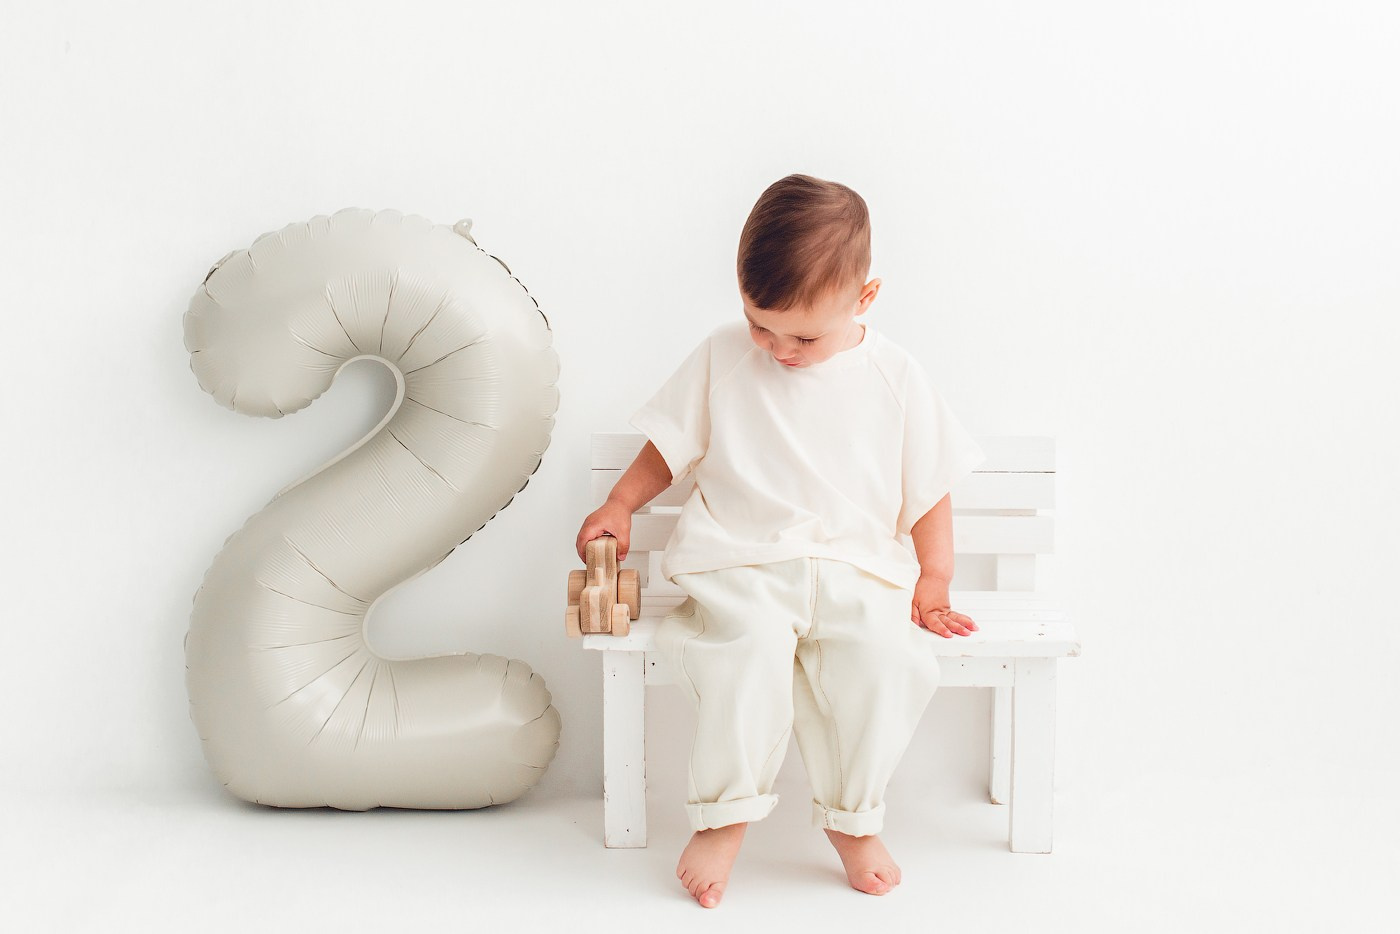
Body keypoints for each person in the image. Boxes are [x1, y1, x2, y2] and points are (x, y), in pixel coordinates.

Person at [574, 173, 986, 908]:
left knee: (888, 662)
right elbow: (669, 446)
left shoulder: (896, 376)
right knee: (747, 656)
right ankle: (724, 818)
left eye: (803, 336)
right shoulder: (724, 355)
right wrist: (620, 502)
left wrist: (935, 577)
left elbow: (930, 487)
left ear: (864, 298)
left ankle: (854, 818)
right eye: (759, 324)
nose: (778, 349)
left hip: (856, 568)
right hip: (741, 561)